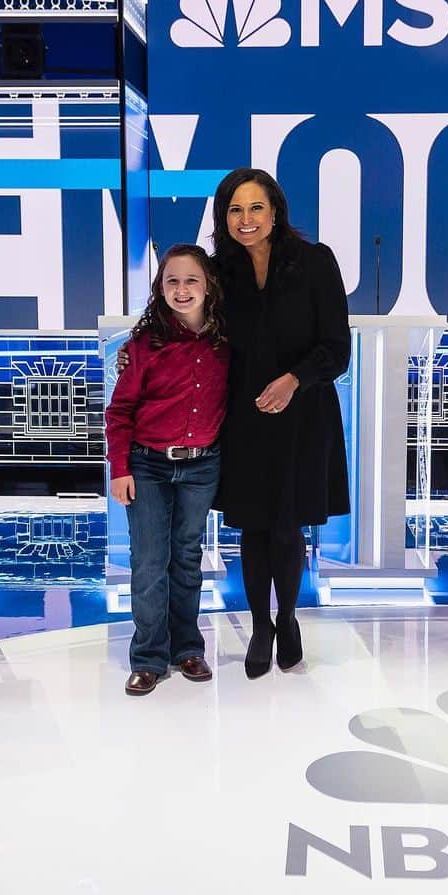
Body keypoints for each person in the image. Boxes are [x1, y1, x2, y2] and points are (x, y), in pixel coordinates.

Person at [211, 168, 351, 678]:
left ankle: (288, 618)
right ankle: (260, 626)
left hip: (302, 413)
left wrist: (294, 380)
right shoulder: (217, 271)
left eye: (255, 208)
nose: (245, 220)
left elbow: (338, 349)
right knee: (252, 525)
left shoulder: (315, 262)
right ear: (223, 218)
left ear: (275, 212)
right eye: (234, 210)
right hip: (244, 417)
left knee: (288, 525)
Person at [105, 244, 230, 696]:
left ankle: (187, 649)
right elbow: (119, 412)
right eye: (172, 281)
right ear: (160, 287)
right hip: (149, 466)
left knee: (188, 559)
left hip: (202, 467)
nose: (181, 290)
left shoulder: (225, 343)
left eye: (191, 280)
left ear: (208, 286)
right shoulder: (144, 345)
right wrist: (120, 468)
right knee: (150, 562)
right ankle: (148, 657)